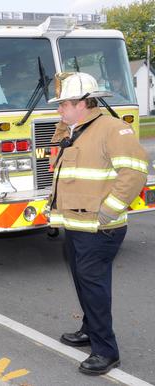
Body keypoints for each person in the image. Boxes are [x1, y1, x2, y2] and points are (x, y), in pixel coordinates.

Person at [46, 72, 149, 375]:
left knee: (94, 288)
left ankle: (106, 351)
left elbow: (135, 171)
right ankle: (89, 330)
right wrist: (66, 125)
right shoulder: (75, 129)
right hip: (76, 225)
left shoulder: (113, 129)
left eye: (63, 104)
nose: (58, 109)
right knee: (83, 282)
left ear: (82, 103)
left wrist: (109, 210)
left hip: (99, 228)